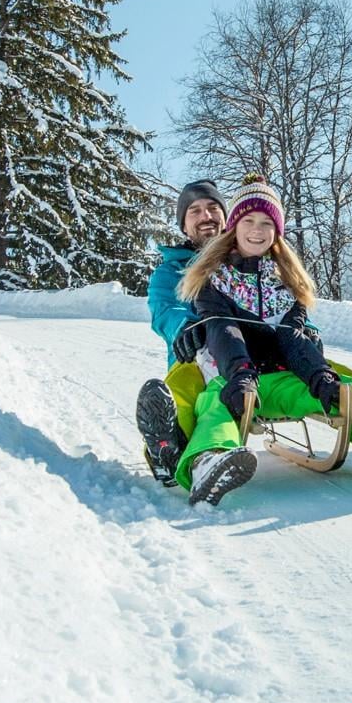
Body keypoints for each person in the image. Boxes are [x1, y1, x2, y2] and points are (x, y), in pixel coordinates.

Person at [173, 178, 352, 505]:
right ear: (234, 226)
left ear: (277, 231)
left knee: (349, 393)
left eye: (267, 222)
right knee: (214, 405)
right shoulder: (213, 280)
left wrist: (320, 377)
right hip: (230, 377)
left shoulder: (287, 282)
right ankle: (208, 461)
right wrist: (239, 374)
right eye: (248, 220)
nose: (257, 229)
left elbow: (293, 337)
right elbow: (223, 330)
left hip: (283, 379)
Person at [136, 179, 226, 483]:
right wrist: (185, 327)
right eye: (195, 211)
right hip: (194, 358)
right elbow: (164, 309)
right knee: (187, 391)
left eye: (213, 207)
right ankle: (166, 446)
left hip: (246, 359)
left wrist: (304, 329)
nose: (206, 216)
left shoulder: (248, 262)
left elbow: (282, 301)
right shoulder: (171, 271)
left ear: (225, 216)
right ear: (184, 226)